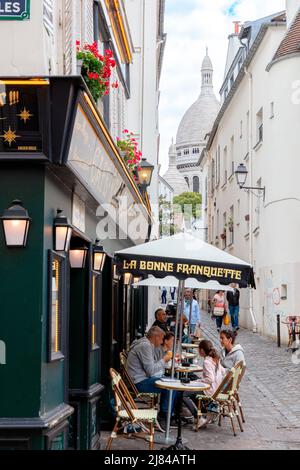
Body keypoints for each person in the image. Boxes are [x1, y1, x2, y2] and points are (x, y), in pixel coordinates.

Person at [126, 327, 177, 430]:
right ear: (156, 337)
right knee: (171, 386)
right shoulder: (145, 346)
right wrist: (164, 360)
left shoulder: (146, 344)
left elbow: (150, 368)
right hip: (139, 382)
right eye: (162, 339)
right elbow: (151, 370)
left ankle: (168, 414)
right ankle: (164, 416)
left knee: (174, 384)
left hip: (140, 379)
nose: (162, 341)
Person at [183, 340, 226, 428]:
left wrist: (198, 381)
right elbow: (223, 371)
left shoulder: (207, 361)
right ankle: (203, 413)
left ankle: (198, 417)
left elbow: (210, 379)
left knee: (184, 394)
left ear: (202, 350)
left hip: (210, 390)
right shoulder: (215, 359)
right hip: (216, 389)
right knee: (192, 392)